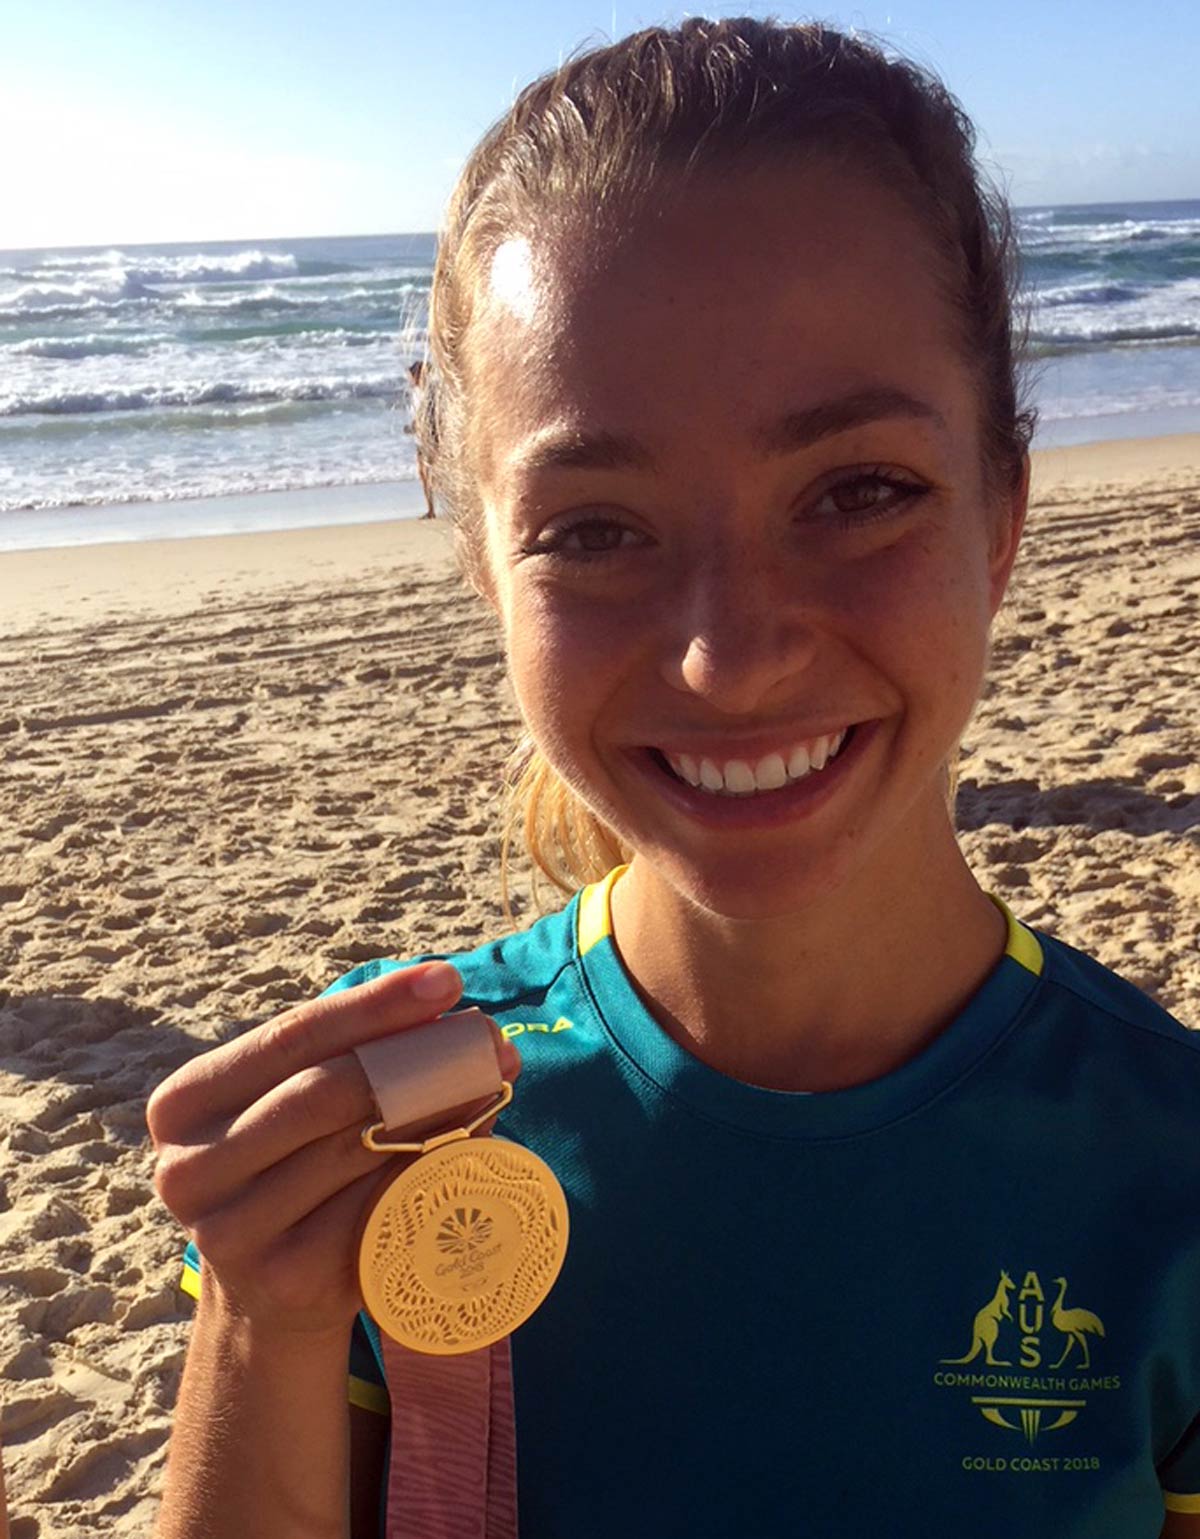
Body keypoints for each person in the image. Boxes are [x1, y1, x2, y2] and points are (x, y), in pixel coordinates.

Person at [147, 19, 1200, 1538]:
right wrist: (266, 1319)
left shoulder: (1163, 1167)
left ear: (1005, 517)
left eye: (858, 492)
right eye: (593, 529)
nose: (728, 657)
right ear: (484, 572)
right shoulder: (390, 1140)